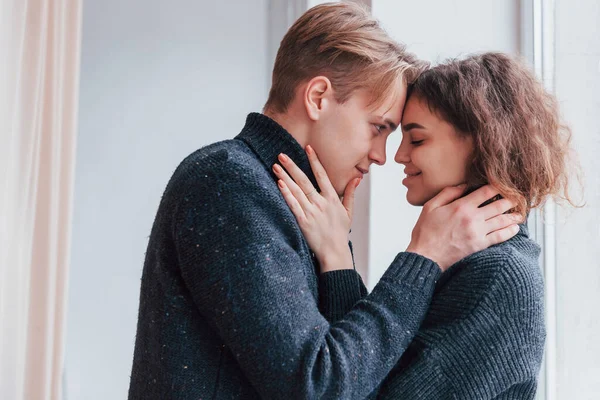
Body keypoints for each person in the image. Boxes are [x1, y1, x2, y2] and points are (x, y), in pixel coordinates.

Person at [127, 4, 521, 399]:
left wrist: (338, 261)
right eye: (378, 128)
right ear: (317, 97)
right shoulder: (227, 183)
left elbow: (344, 373)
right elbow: (317, 385)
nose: (383, 155)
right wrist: (424, 259)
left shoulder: (297, 201)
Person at [273, 52, 578, 399]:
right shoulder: (467, 261)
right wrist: (337, 256)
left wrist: (420, 258)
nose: (398, 156)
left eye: (416, 139)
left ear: (483, 143)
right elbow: (361, 378)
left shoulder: (500, 275)